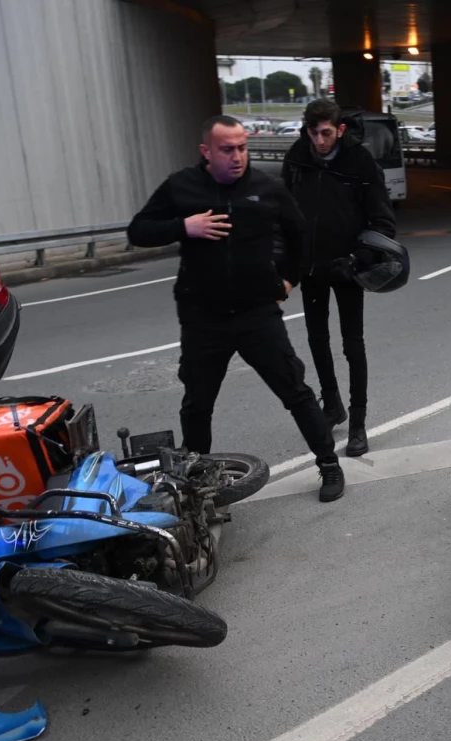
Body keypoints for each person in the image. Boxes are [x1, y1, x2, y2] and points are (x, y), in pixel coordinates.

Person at [127, 115, 345, 503]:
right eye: (227, 149)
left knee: (296, 391)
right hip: (203, 318)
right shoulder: (182, 186)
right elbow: (138, 230)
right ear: (206, 152)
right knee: (197, 403)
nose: (237, 156)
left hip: (257, 314)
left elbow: (300, 236)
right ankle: (197, 482)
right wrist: (183, 227)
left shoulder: (266, 187)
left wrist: (289, 280)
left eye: (242, 147)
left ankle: (329, 463)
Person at [282, 100, 397, 457]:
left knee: (352, 345)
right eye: (313, 132)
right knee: (317, 339)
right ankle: (332, 405)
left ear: (340, 129)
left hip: (348, 268)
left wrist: (358, 259)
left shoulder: (360, 162)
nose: (319, 140)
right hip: (311, 269)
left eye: (326, 133)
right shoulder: (297, 158)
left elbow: (382, 221)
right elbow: (283, 213)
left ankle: (359, 423)